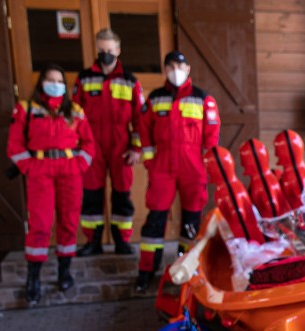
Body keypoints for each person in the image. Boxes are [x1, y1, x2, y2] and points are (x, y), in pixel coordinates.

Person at [6, 64, 95, 304]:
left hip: (69, 171)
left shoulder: (74, 110)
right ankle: (33, 277)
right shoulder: (26, 109)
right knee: (40, 225)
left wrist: (79, 166)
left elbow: (88, 145)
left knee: (68, 222)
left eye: (59, 80)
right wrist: (30, 167)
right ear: (42, 82)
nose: (55, 84)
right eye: (50, 79)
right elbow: (14, 146)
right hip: (40, 172)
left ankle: (64, 272)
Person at [135, 50, 220, 292]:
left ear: (188, 69)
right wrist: (151, 162)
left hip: (192, 168)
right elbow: (144, 131)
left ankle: (186, 268)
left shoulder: (204, 99)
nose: (175, 71)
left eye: (179, 66)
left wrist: (206, 165)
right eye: (170, 66)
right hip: (162, 168)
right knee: (155, 220)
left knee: (191, 222)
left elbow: (211, 138)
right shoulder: (155, 99)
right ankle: (146, 271)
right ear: (165, 70)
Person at [73, 28, 144, 256]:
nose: (106, 54)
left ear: (118, 50)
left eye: (110, 50)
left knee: (122, 194)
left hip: (120, 147)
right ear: (97, 49)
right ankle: (92, 242)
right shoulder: (84, 79)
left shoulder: (130, 82)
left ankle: (122, 241)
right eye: (102, 50)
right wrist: (78, 146)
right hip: (91, 147)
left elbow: (140, 120)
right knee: (91, 195)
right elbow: (74, 115)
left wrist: (136, 148)